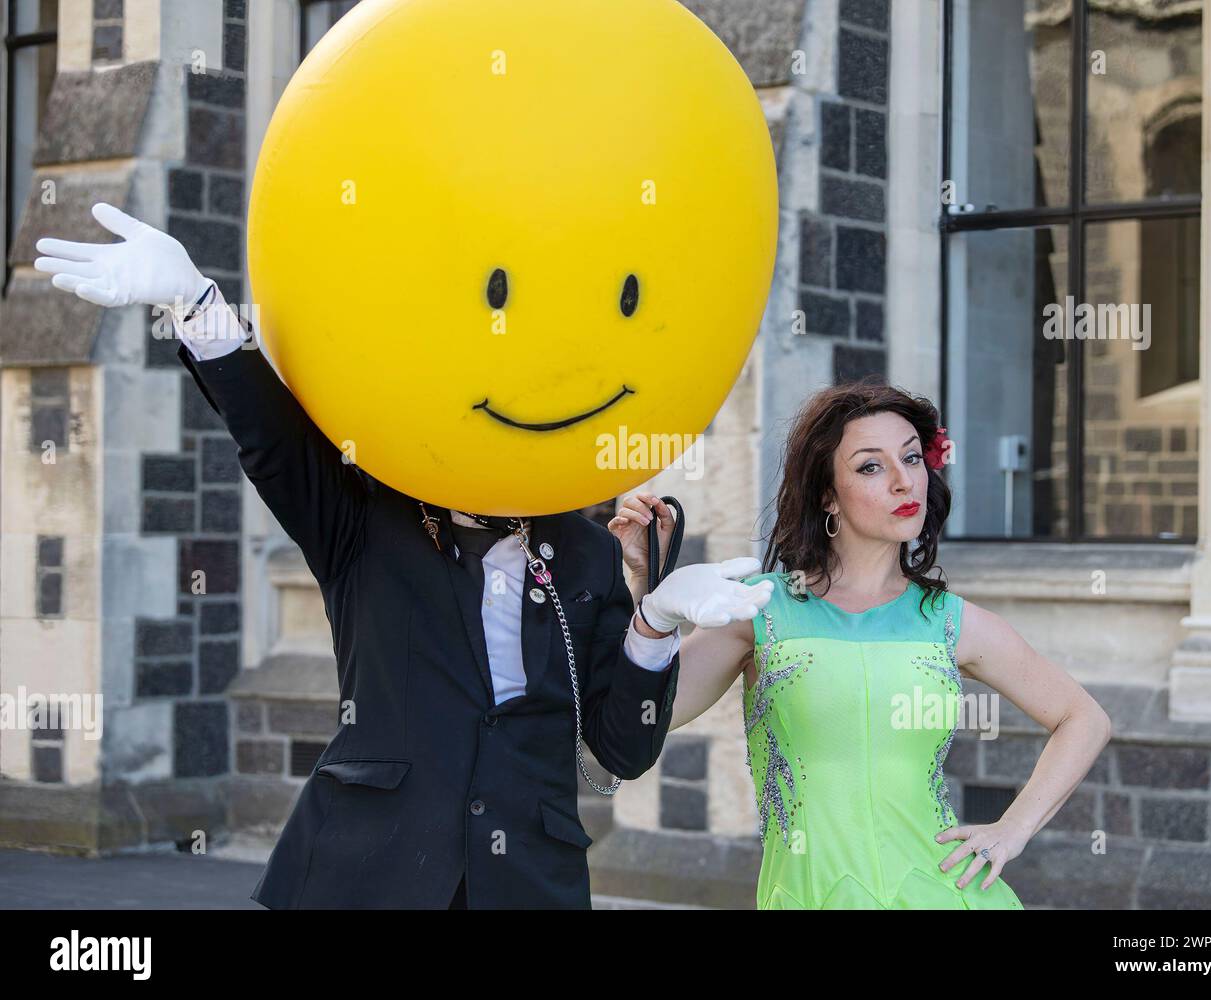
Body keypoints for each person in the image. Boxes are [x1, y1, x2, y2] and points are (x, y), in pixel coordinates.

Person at [35, 203, 774, 909]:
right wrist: (197, 302)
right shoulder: (366, 520)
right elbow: (272, 439)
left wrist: (653, 625)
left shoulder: (584, 552)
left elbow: (620, 748)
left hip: (526, 885)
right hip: (368, 875)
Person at [611, 380, 1112, 909]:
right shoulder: (758, 610)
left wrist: (1012, 830)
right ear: (827, 493)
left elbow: (1084, 718)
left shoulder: (951, 621)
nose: (904, 482)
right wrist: (653, 597)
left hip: (943, 893)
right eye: (871, 466)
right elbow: (643, 721)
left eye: (912, 459)